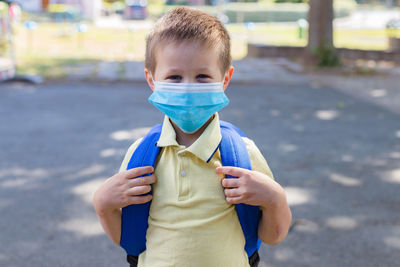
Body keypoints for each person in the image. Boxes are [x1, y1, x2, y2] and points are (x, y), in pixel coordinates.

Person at [93, 6, 292, 267]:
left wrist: (276, 199)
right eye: (174, 77)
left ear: (225, 79)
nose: (188, 87)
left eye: (202, 76)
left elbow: (271, 236)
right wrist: (102, 205)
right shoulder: (140, 156)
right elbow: (130, 239)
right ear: (151, 79)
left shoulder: (243, 154)